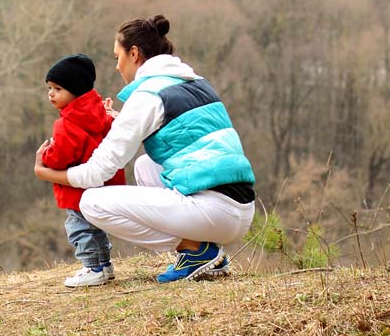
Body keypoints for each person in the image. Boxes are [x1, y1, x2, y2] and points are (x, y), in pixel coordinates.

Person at [34, 15, 256, 283]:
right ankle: (204, 251)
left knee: (91, 202)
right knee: (145, 165)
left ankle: (195, 249)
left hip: (213, 211)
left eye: (118, 57)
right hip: (240, 208)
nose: (117, 67)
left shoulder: (148, 95)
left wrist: (47, 174)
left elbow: (97, 172)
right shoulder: (195, 82)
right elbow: (179, 132)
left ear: (135, 54)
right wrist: (120, 120)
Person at [40, 54, 126, 288]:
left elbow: (60, 158)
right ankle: (104, 265)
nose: (51, 93)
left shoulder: (67, 125)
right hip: (104, 187)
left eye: (58, 88)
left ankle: (92, 267)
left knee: (79, 228)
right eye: (49, 88)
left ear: (76, 91)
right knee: (96, 228)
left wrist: (46, 154)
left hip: (78, 191)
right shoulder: (101, 114)